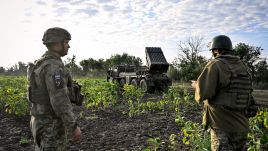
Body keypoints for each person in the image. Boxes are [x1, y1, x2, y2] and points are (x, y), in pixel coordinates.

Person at [191, 35, 256, 151]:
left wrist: (196, 85)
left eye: (213, 51)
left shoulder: (216, 64)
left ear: (216, 50)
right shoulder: (243, 66)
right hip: (242, 126)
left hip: (223, 127)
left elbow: (202, 94)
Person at [27, 27, 82, 151]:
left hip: (39, 121)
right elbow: (59, 100)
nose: (68, 46)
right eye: (66, 42)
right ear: (57, 43)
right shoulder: (53, 67)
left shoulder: (40, 63)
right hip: (50, 125)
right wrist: (73, 126)